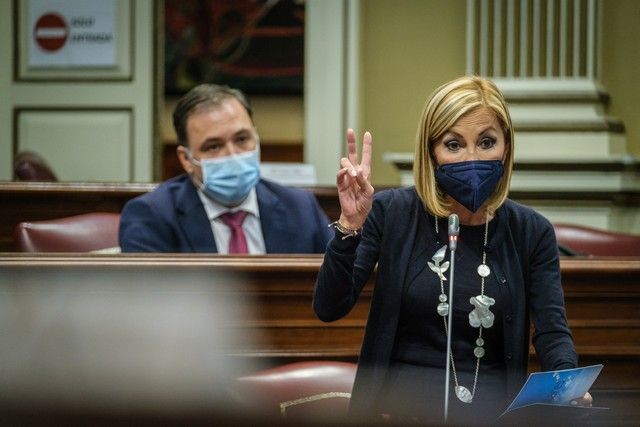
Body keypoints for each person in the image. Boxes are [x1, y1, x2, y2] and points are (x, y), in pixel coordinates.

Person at [313, 75, 593, 424]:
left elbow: (552, 330)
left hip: (494, 416)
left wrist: (568, 383)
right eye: (454, 144)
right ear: (431, 152)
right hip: (396, 415)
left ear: (506, 147)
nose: (472, 158)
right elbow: (329, 307)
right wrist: (350, 224)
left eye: (487, 142)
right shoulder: (392, 213)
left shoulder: (530, 231)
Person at [119, 84, 332, 253]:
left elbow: (340, 287)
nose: (232, 154)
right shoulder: (151, 217)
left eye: (242, 139)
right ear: (186, 159)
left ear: (256, 138)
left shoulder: (300, 208)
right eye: (214, 146)